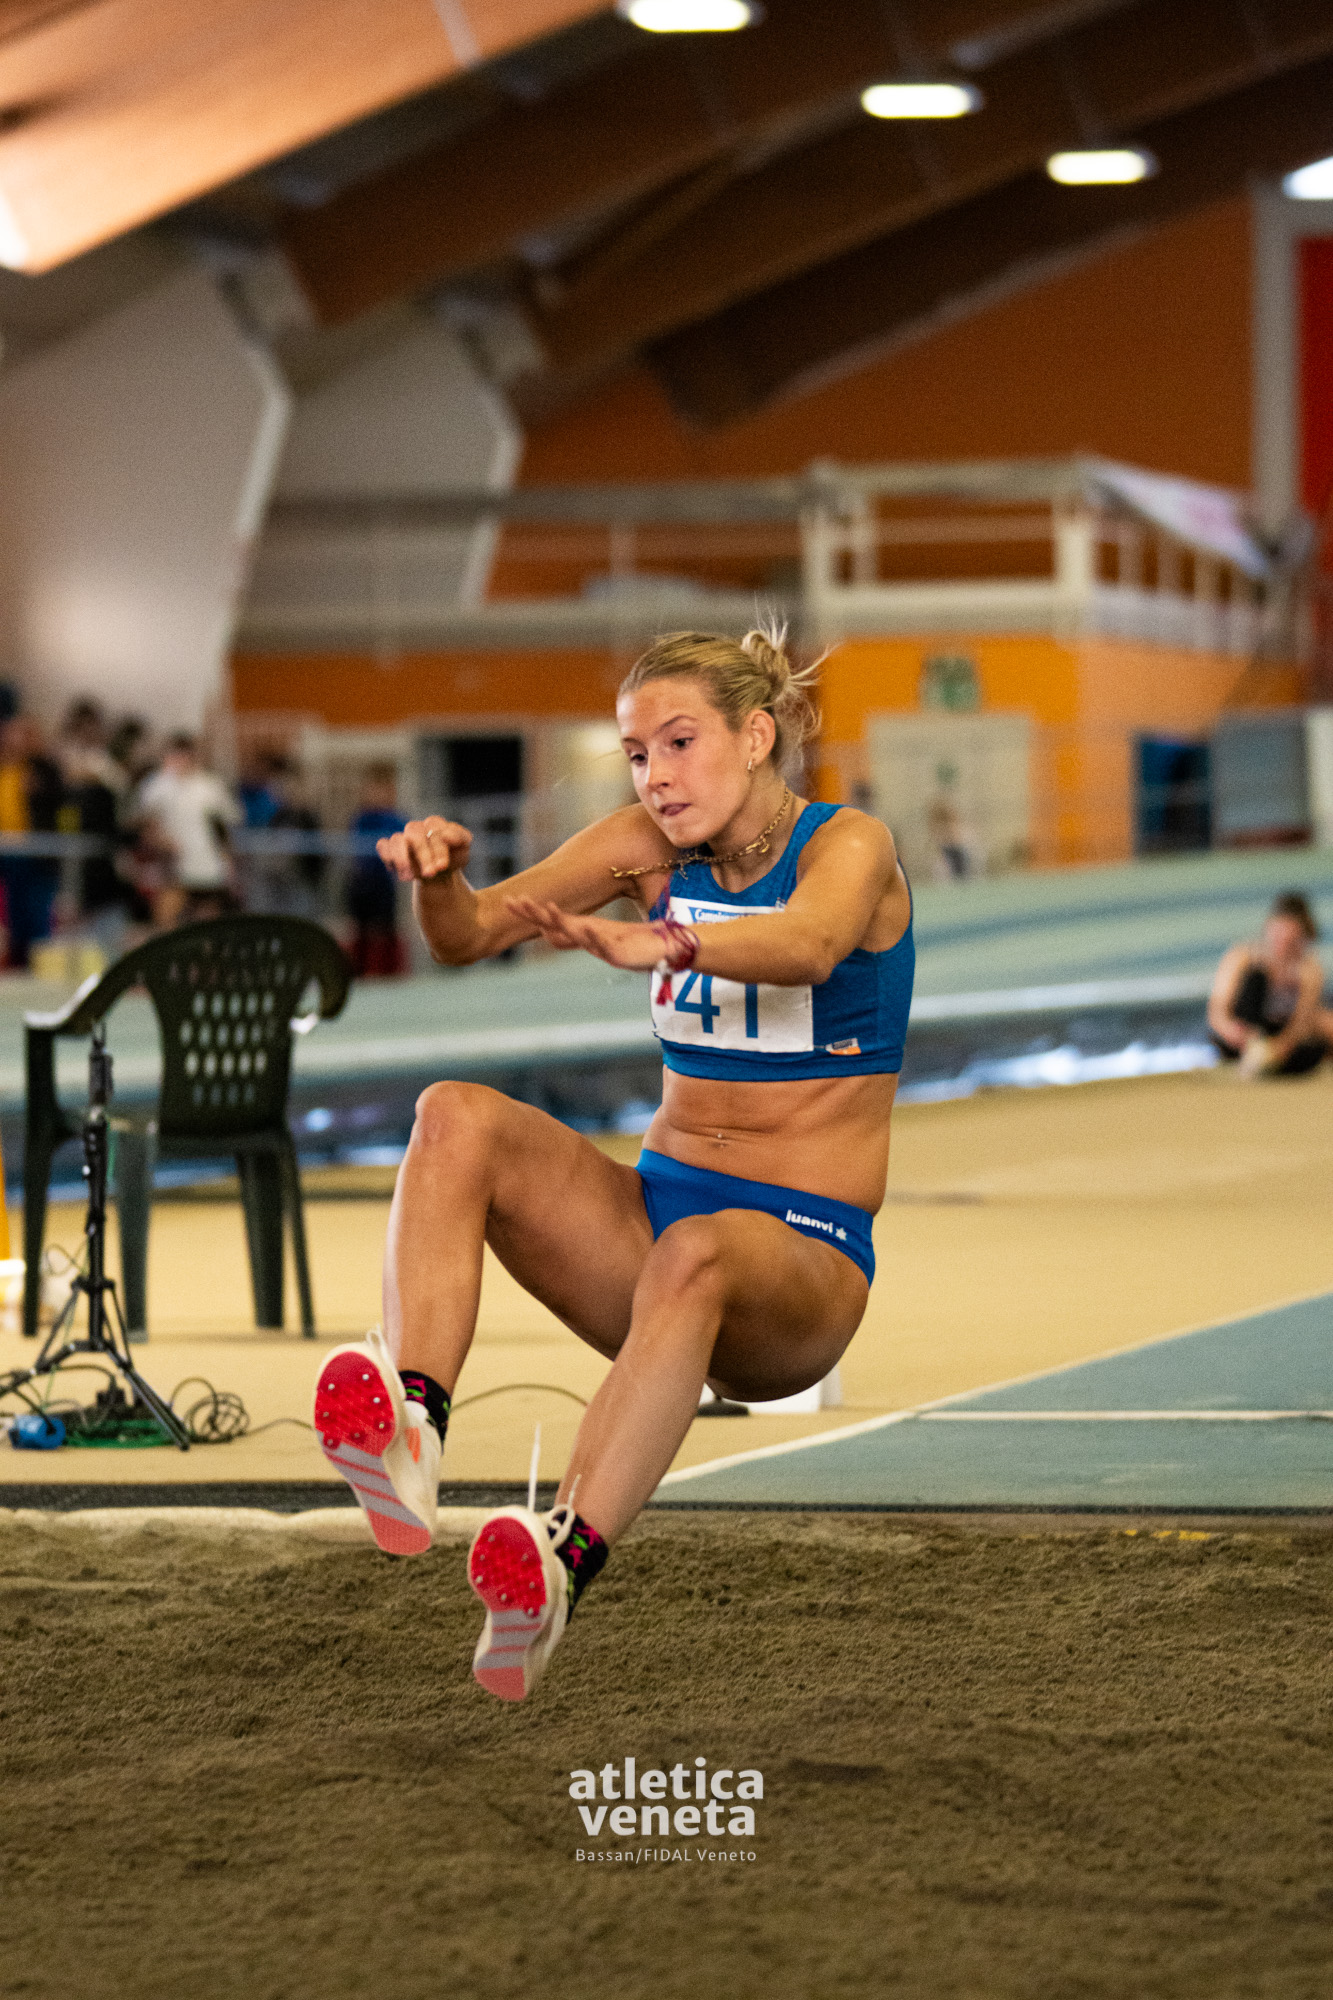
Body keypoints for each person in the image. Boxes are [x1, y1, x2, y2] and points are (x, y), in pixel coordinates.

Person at [312, 626, 914, 1702]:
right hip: (650, 1226)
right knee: (454, 1115)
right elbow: (471, 933)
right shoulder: (645, 845)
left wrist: (669, 941)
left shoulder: (849, 844)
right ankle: (410, 1424)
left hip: (802, 1268)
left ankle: (559, 1560)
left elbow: (809, 943)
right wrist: (439, 882)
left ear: (756, 736)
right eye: (637, 754)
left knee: (698, 1252)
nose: (655, 776)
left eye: (679, 743)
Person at [1208, 891, 1331, 1077]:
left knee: (1321, 1028)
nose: (1283, 943)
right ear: (1269, 927)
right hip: (1245, 1029)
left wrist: (1280, 1047)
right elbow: (1217, 1009)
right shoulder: (1242, 957)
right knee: (1256, 978)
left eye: (1291, 938)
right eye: (1279, 933)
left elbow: (1301, 1023)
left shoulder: (1308, 969)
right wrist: (1231, 1030)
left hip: (1280, 1036)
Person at [133, 733, 241, 926]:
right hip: (173, 866)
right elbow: (146, 825)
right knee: (167, 920)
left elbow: (223, 828)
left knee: (207, 922)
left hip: (208, 864)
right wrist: (162, 842)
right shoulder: (157, 786)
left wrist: (228, 860)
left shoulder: (209, 785)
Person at [0, 716, 64, 968]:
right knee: (12, 913)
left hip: (36, 853)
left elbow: (59, 800)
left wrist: (38, 789)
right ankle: (15, 960)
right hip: (7, 853)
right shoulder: (5, 767)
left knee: (36, 913)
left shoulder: (43, 770)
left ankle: (38, 962)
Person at [345, 763, 408, 976]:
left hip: (384, 884)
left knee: (386, 929)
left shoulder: (395, 819)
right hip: (362, 882)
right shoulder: (361, 819)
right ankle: (359, 972)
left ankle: (390, 972)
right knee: (361, 931)